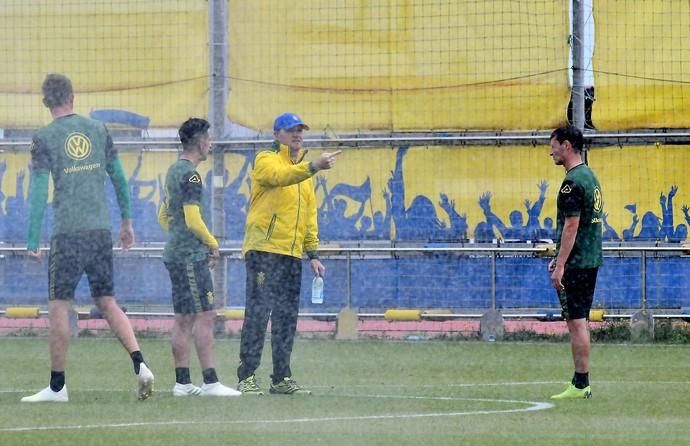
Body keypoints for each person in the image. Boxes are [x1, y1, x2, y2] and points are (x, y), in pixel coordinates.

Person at [21, 73, 154, 402]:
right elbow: (119, 177)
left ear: (45, 102)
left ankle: (57, 387)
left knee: (58, 306)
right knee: (107, 302)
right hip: (99, 231)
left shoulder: (44, 137)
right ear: (73, 97)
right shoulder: (97, 129)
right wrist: (127, 221)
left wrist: (32, 240)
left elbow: (39, 191)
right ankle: (140, 364)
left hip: (68, 234)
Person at [236, 112, 340, 395]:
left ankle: (281, 377)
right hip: (264, 251)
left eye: (300, 131)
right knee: (258, 314)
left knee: (285, 317)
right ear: (277, 134)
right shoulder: (266, 160)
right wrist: (314, 166)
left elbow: (309, 216)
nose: (298, 135)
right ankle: (246, 376)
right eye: (291, 130)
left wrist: (313, 254)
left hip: (291, 254)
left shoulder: (304, 172)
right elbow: (280, 177)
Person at [158, 118, 240, 397]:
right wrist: (211, 243)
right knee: (205, 316)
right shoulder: (192, 176)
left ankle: (183, 383)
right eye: (209, 138)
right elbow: (192, 219)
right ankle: (210, 382)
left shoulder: (173, 171)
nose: (211, 144)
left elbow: (163, 216)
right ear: (200, 142)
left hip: (177, 254)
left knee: (184, 318)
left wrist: (179, 236)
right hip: (190, 258)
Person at [547, 125, 603, 400]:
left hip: (577, 263)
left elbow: (572, 226)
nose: (551, 152)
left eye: (554, 146)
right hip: (590, 259)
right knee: (579, 320)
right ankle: (581, 382)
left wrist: (560, 264)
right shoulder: (590, 176)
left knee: (576, 321)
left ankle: (581, 384)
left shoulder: (572, 182)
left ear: (566, 145)